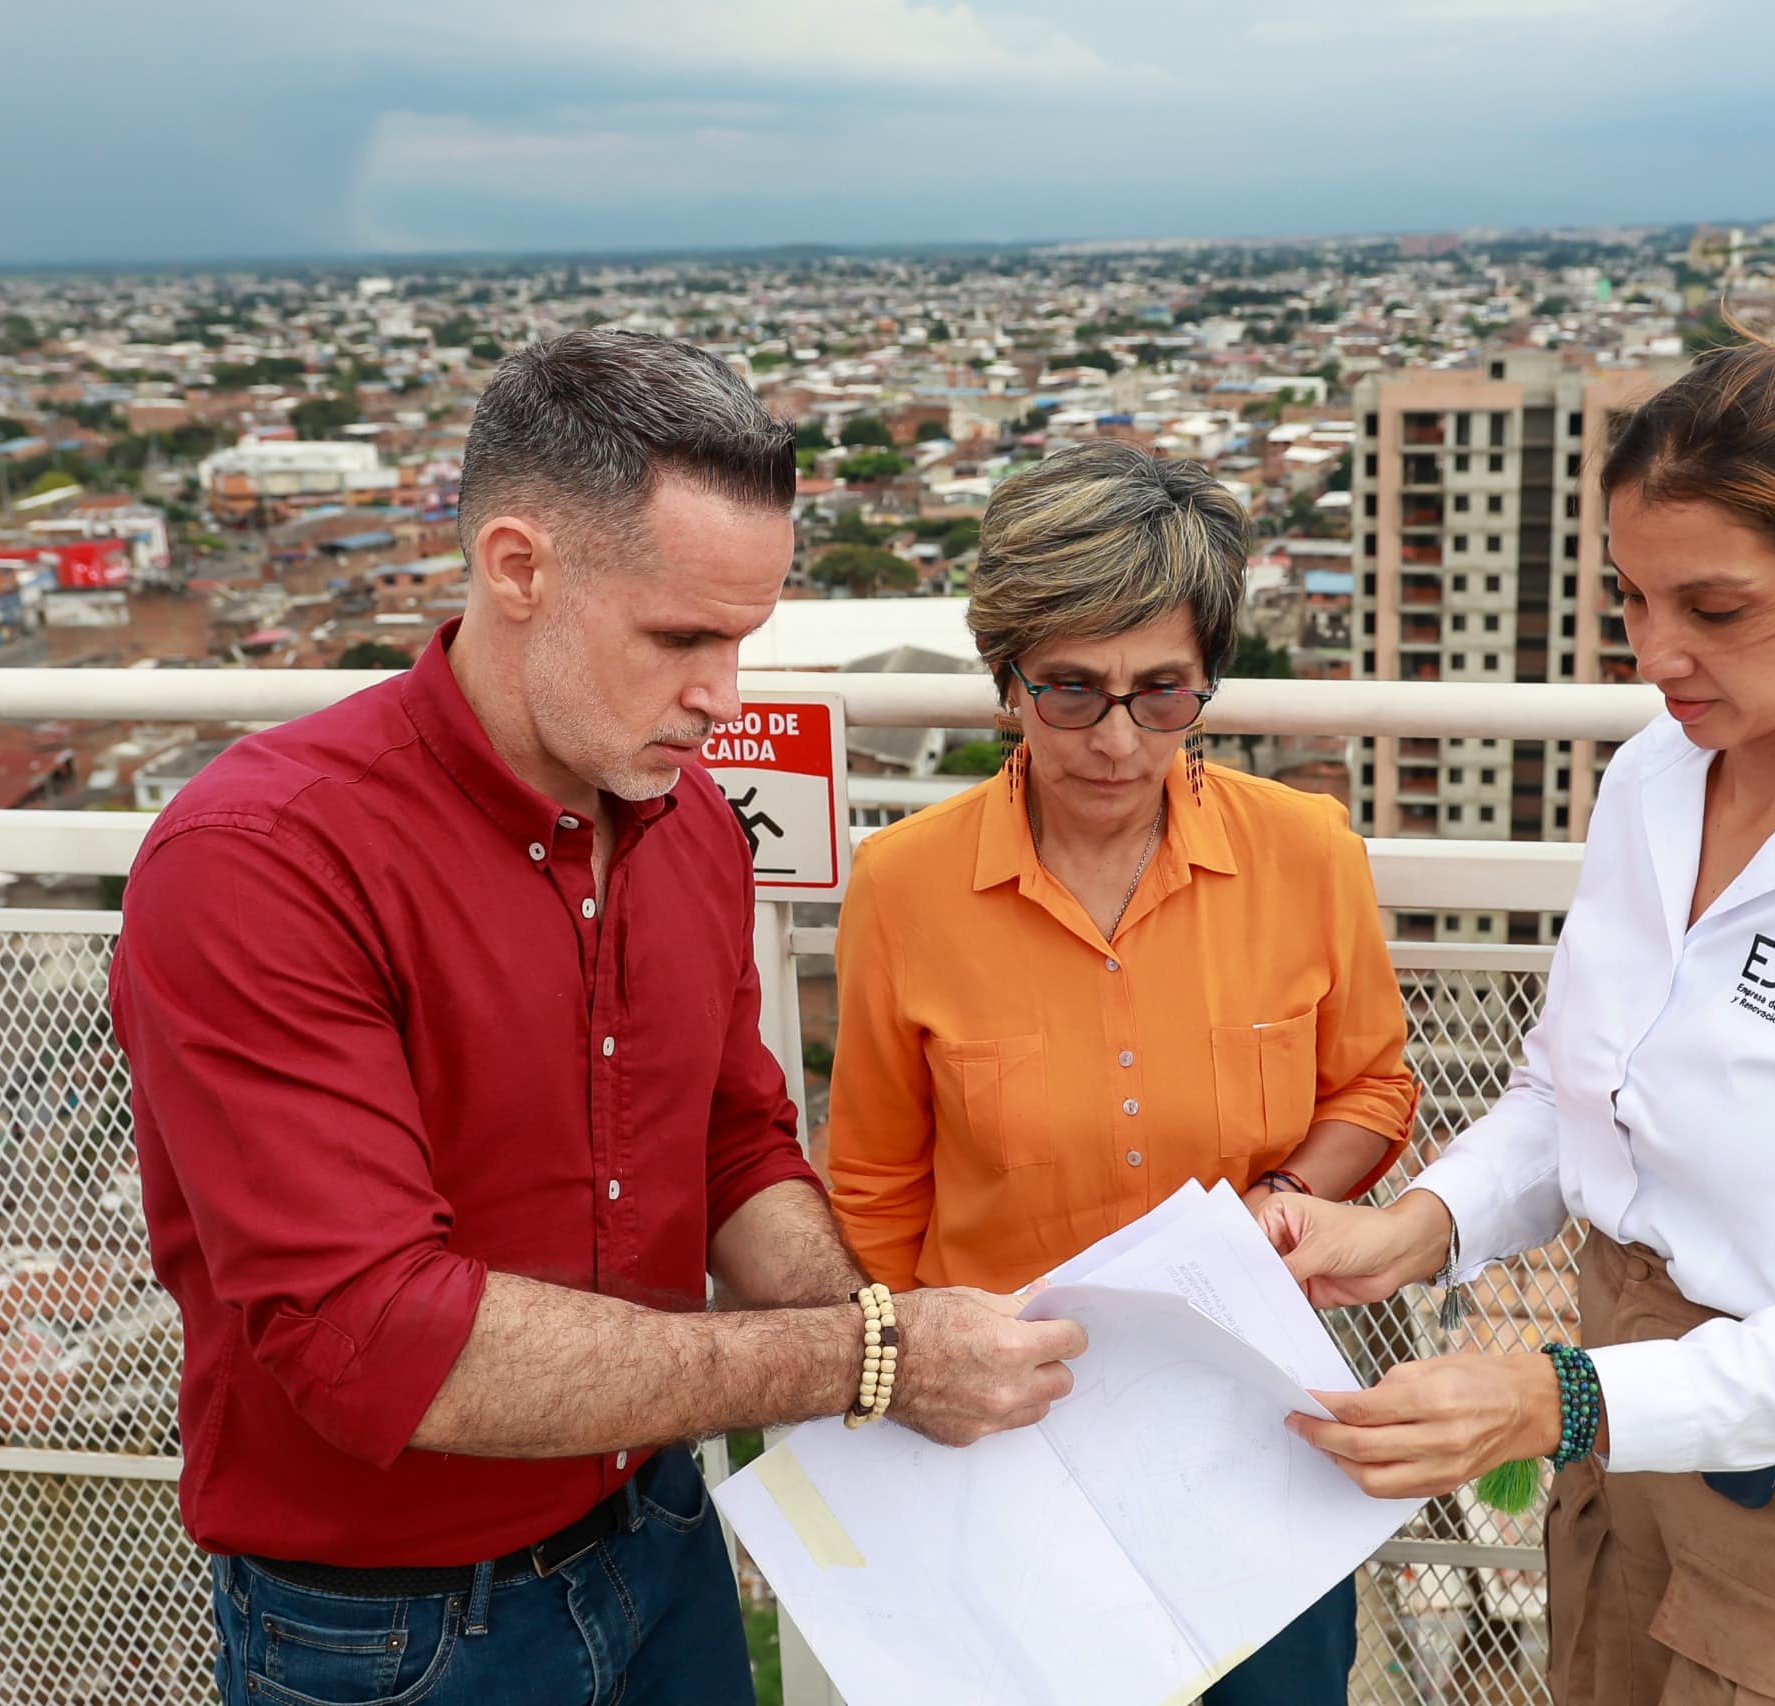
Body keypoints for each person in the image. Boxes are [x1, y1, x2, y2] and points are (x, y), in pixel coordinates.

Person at [111, 330, 1084, 1706]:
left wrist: (895, 1319)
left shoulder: (688, 827)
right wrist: (872, 1354)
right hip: (394, 1624)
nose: (726, 698)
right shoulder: (264, 858)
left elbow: (734, 1144)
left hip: (656, 1531)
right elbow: (381, 1341)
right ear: (519, 567)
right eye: (683, 637)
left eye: (742, 639)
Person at [1262, 324, 1775, 1705]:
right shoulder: (1659, 778)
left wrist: (1556, 1398)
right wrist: (1415, 1228)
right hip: (1624, 1419)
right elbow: (1570, 1091)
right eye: (1632, 597)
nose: (1655, 652)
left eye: (1712, 609)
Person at [826, 440, 1418, 1706]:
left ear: (1208, 681)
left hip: (1252, 1426)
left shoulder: (1304, 851)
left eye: (1161, 693)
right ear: (1006, 683)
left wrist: (1287, 1197)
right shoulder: (903, 887)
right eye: (1071, 691)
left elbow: (1372, 1089)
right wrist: (912, 1389)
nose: (1115, 738)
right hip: (1009, 1442)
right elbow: (876, 1190)